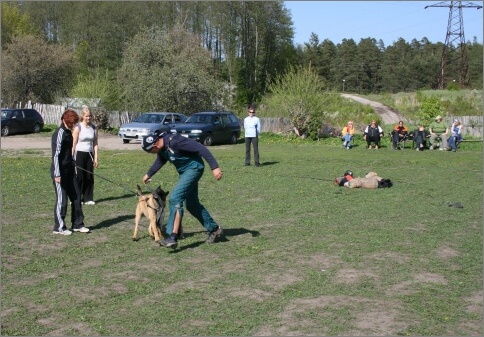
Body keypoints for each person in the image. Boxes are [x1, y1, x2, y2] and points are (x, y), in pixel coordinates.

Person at [141, 130, 224, 248]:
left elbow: (201, 148)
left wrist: (214, 167)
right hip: (184, 172)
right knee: (191, 204)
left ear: (155, 145)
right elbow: (161, 160)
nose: (152, 153)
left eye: (151, 151)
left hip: (194, 169)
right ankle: (214, 229)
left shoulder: (176, 141)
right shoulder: (162, 148)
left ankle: (172, 236)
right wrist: (149, 174)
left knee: (175, 198)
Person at [51, 109, 90, 235]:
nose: (72, 126)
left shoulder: (68, 132)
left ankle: (77, 224)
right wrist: (57, 174)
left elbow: (69, 153)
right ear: (64, 120)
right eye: (70, 124)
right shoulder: (59, 133)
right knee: (62, 200)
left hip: (70, 171)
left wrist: (74, 165)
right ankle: (59, 227)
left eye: (73, 124)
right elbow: (56, 155)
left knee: (77, 197)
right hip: (60, 173)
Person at [72, 106, 99, 205]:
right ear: (82, 116)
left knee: (89, 176)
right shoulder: (78, 127)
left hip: (89, 154)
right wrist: (72, 157)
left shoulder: (94, 128)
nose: (88, 118)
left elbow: (95, 143)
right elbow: (73, 144)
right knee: (79, 176)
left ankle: (88, 198)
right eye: (86, 116)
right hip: (79, 153)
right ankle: (77, 198)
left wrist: (96, 157)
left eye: (90, 116)